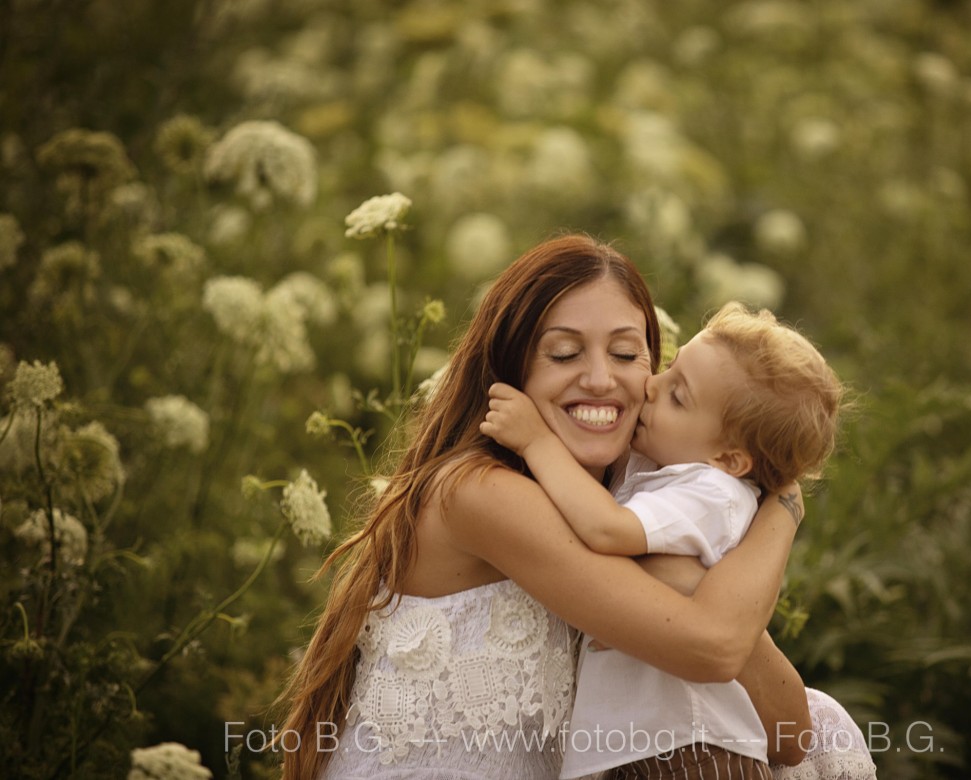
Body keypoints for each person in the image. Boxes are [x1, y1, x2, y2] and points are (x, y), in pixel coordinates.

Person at [276, 234, 867, 779]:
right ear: (512, 369)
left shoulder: (634, 502)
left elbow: (789, 729)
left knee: (829, 731)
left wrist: (759, 510)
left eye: (627, 354)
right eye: (562, 354)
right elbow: (714, 645)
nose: (601, 380)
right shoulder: (478, 494)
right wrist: (782, 505)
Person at [480, 301, 843, 779]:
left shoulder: (711, 493)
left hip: (695, 753)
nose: (653, 386)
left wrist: (536, 442)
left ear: (730, 460)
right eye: (668, 368)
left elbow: (607, 529)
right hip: (656, 748)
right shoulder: (671, 471)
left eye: (678, 396)